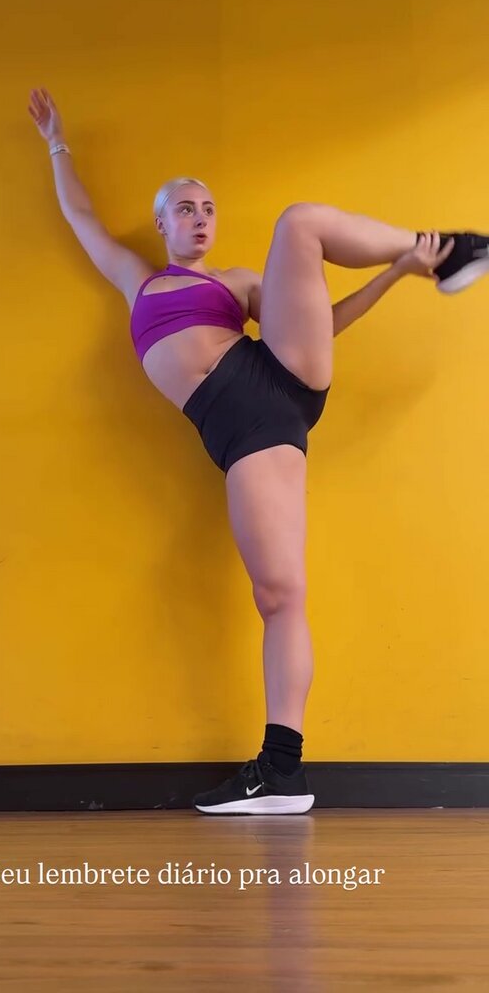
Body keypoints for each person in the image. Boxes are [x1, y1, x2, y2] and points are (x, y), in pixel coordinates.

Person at [28, 86, 489, 816]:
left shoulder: (240, 282)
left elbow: (315, 327)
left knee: (299, 222)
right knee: (277, 593)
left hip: (271, 381)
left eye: (208, 208)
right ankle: (282, 773)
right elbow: (81, 216)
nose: (200, 217)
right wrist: (57, 142)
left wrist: (396, 273)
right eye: (186, 208)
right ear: (161, 222)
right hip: (239, 428)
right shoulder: (138, 279)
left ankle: (446, 249)